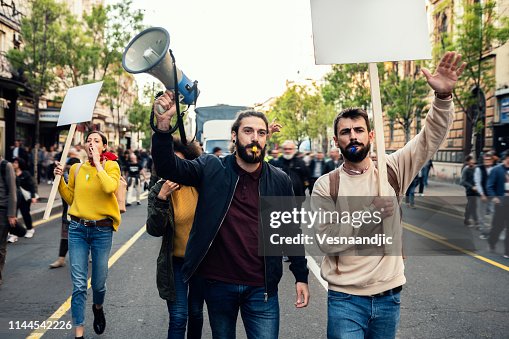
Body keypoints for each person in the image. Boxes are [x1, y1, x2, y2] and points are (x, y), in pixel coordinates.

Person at [311, 51, 465, 338]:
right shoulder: (326, 185)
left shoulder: (392, 170)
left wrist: (443, 99)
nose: (353, 136)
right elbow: (327, 241)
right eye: (345, 132)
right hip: (345, 300)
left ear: (371, 136)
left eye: (359, 130)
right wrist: (370, 213)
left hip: (388, 297)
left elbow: (429, 138)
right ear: (336, 141)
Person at [151, 95, 309, 339]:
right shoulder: (212, 168)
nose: (255, 137)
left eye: (261, 133)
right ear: (234, 136)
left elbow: (289, 232)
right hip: (218, 285)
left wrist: (301, 276)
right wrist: (163, 126)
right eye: (248, 131)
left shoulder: (279, 179)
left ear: (267, 138)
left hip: (262, 289)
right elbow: (168, 168)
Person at [54, 130, 121, 338]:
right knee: (79, 284)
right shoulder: (75, 168)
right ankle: (79, 331)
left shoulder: (111, 166)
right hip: (77, 229)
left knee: (99, 283)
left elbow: (109, 187)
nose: (91, 143)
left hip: (102, 230)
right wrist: (59, 181)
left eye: (96, 140)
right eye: (89, 140)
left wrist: (98, 163)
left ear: (104, 147)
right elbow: (70, 199)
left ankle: (98, 308)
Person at [147, 137, 205, 339]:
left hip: (200, 262)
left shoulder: (200, 184)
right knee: (179, 316)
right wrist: (162, 198)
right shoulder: (159, 189)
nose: (175, 171)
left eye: (179, 165)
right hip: (175, 263)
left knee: (196, 314)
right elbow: (154, 229)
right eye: (170, 165)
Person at [49, 157, 81, 269]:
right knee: (64, 236)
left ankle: (87, 257)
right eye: (69, 169)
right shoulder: (65, 177)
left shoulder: (83, 178)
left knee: (86, 237)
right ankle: (61, 259)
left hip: (81, 214)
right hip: (67, 212)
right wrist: (58, 173)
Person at [486, 150, 509, 259]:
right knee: (497, 227)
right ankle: (492, 242)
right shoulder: (497, 170)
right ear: (506, 158)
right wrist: (494, 197)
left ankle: (507, 252)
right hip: (500, 204)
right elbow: (489, 186)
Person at [274, 140, 310, 208]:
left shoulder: (300, 162)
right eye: (285, 149)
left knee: (296, 216)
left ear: (294, 150)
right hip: (280, 197)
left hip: (297, 196)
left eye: (290, 149)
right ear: (282, 150)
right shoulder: (276, 163)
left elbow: (306, 177)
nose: (287, 151)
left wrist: (302, 190)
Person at [9, 158, 37, 242]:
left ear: (20, 164)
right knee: (13, 216)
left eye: (16, 162)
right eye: (13, 162)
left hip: (24, 198)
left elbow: (31, 185)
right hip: (14, 198)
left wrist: (33, 196)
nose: (14, 164)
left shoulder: (25, 174)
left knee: (25, 213)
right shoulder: (11, 173)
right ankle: (13, 234)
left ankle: (30, 229)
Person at [0, 157, 17, 286]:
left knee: (0, 247)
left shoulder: (6, 166)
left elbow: (12, 191)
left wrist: (11, 214)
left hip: (2, 211)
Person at [475, 153, 495, 238]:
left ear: (492, 161)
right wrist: (482, 194)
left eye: (489, 160)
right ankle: (483, 232)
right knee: (481, 214)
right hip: (482, 195)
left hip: (492, 195)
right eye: (485, 160)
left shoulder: (495, 169)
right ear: (483, 161)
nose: (487, 161)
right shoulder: (479, 169)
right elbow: (478, 182)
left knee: (494, 213)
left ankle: (492, 231)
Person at [461, 155, 479, 227]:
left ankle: (472, 220)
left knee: (474, 205)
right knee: (471, 205)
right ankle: (470, 220)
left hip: (476, 190)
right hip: (469, 190)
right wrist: (471, 187)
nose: (472, 162)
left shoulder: (476, 168)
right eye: (471, 161)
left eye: (473, 161)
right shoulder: (466, 169)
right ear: (468, 162)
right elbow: (463, 181)